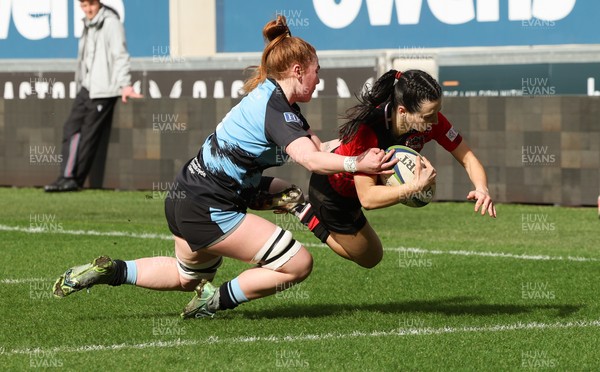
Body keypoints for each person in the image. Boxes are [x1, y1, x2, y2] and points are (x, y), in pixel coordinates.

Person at [51, 16, 396, 319]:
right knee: (297, 264)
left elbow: (320, 148)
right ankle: (216, 301)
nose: (318, 80)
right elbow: (310, 159)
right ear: (297, 70)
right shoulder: (277, 110)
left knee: (189, 277)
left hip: (186, 195)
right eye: (316, 72)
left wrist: (364, 148)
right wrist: (357, 162)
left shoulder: (271, 98)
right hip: (210, 206)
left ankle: (113, 271)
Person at [288, 69, 497, 268]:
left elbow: (467, 157)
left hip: (361, 189)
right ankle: (304, 211)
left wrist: (482, 188)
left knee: (373, 256)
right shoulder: (368, 129)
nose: (435, 121)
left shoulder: (431, 120)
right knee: (370, 258)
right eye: (427, 116)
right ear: (403, 111)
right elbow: (368, 198)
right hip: (333, 193)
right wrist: (414, 187)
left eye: (438, 112)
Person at [44, 0, 142, 192]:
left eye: (91, 5)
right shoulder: (87, 24)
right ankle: (65, 176)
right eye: (83, 5)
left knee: (88, 136)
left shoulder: (111, 23)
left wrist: (125, 85)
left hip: (104, 90)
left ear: (98, 4)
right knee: (70, 129)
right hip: (87, 88)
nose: (88, 9)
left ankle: (74, 181)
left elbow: (120, 55)